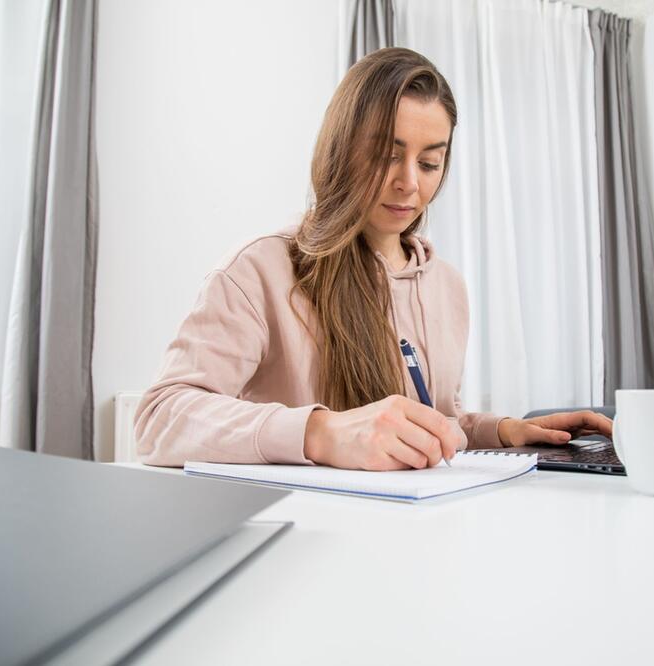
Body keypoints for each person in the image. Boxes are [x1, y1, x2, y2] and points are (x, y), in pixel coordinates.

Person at [134, 47, 612, 471]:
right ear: (342, 151)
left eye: (429, 163)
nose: (410, 183)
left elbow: (432, 416)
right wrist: (321, 434)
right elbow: (159, 419)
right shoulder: (259, 270)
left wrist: (502, 431)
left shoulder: (446, 286)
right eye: (387, 155)